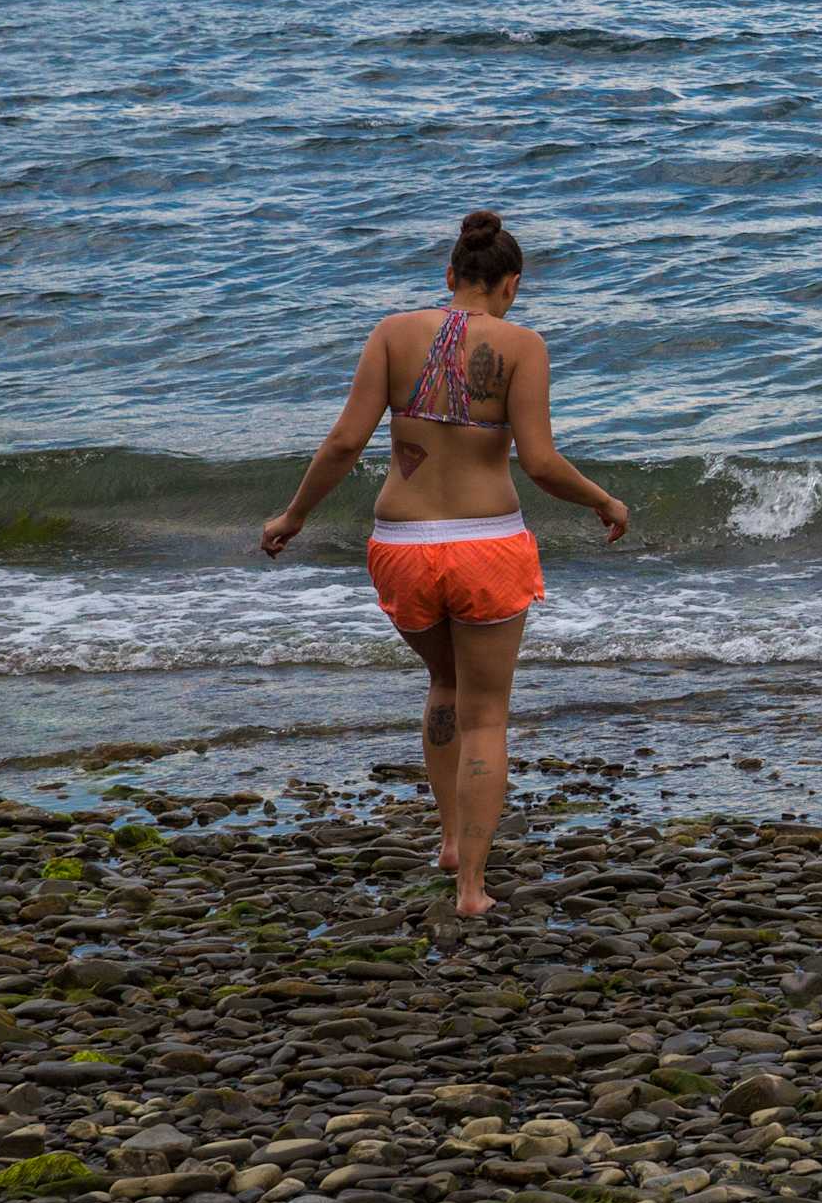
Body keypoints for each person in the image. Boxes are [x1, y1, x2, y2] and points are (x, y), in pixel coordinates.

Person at [257, 211, 630, 919]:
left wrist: (294, 515)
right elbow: (543, 464)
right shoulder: (523, 346)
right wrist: (604, 500)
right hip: (485, 545)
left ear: (450, 276)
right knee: (487, 714)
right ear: (512, 285)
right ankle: (470, 891)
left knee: (443, 683)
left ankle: (452, 842)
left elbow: (342, 444)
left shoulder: (393, 334)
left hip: (400, 548)